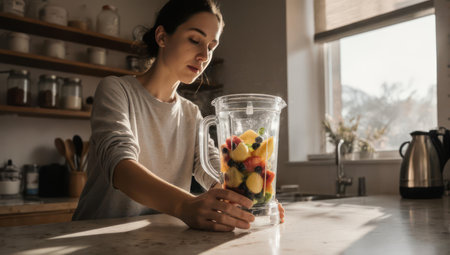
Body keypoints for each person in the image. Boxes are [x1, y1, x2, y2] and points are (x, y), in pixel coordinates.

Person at [72, 0, 284, 232]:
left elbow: (213, 167)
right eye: (195, 40)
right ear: (162, 37)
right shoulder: (115, 90)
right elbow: (120, 167)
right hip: (94, 236)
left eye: (211, 47)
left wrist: (250, 200)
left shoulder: (191, 113)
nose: (204, 55)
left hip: (156, 237)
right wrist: (186, 205)